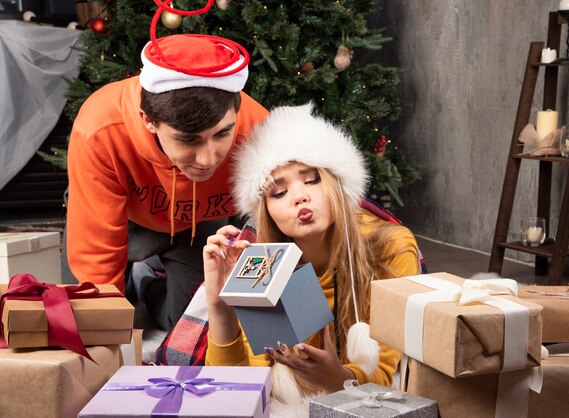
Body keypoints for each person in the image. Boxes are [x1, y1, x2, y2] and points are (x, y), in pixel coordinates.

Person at [202, 104, 421, 403]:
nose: (299, 196)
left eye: (312, 179)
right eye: (279, 193)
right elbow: (234, 389)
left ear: (335, 182)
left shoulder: (390, 247)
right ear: (265, 210)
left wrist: (335, 379)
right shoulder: (262, 261)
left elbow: (386, 376)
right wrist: (219, 306)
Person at [61, 32, 268, 332]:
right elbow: (96, 261)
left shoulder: (258, 130)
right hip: (120, 212)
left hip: (198, 223)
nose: (208, 159)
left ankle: (145, 286)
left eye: (222, 134)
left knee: (193, 328)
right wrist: (104, 335)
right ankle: (134, 281)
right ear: (148, 120)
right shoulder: (100, 129)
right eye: (188, 139)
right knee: (90, 316)